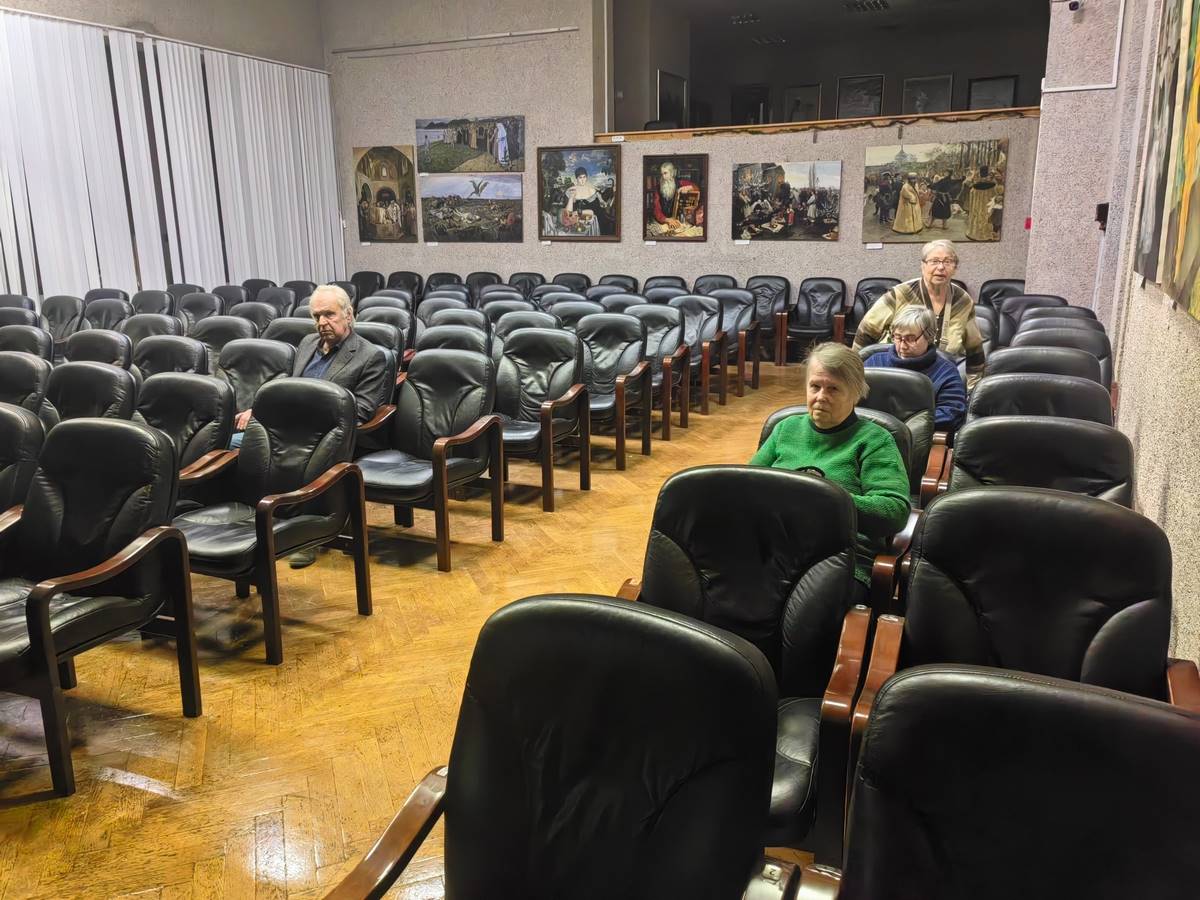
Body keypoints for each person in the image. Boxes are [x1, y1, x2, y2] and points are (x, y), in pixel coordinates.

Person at [230, 284, 388, 566]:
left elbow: (363, 410)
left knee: (294, 458)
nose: (322, 322)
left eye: (329, 314)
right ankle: (248, 520)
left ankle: (305, 534)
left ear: (348, 314)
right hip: (284, 428)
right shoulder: (306, 344)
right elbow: (290, 388)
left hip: (326, 435)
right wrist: (260, 409)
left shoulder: (369, 356)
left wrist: (310, 420)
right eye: (316, 316)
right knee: (228, 444)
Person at [750, 342, 910, 600]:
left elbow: (894, 512)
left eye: (833, 388)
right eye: (815, 386)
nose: (821, 396)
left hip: (839, 559)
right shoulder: (785, 429)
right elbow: (747, 485)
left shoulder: (875, 440)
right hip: (774, 549)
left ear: (856, 393)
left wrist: (824, 500)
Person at [851, 238, 987, 387]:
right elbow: (865, 333)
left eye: (948, 262)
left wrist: (972, 389)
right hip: (894, 373)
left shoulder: (962, 301)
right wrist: (853, 377)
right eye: (934, 261)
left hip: (939, 376)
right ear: (923, 265)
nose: (941, 267)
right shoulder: (901, 294)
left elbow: (975, 350)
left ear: (955, 268)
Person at [863, 305, 967, 432]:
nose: (902, 346)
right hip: (871, 431)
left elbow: (951, 413)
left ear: (929, 337)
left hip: (918, 437)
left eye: (910, 339)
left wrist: (904, 425)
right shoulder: (874, 362)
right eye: (897, 337)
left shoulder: (946, 372)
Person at [649, 160, 700, 233]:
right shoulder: (657, 188)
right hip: (664, 221)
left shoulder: (680, 183)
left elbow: (696, 188)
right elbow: (656, 209)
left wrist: (688, 187)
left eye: (665, 173)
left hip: (679, 221)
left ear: (672, 173)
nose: (663, 177)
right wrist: (667, 220)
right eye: (661, 174)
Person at [967, 165, 1000, 240]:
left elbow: (971, 198)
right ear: (988, 173)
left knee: (977, 217)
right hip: (987, 207)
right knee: (986, 218)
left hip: (977, 206)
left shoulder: (975, 187)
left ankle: (975, 233)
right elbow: (994, 198)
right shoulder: (992, 186)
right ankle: (986, 233)